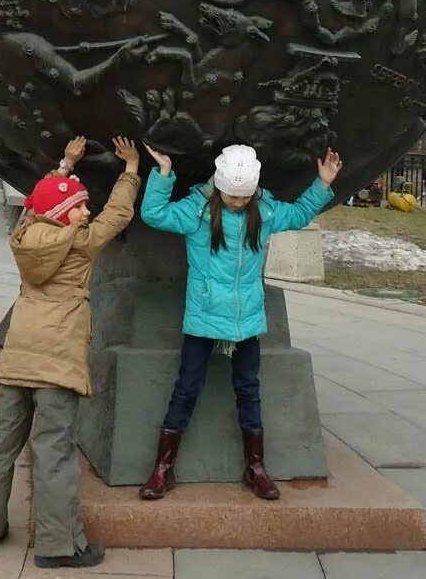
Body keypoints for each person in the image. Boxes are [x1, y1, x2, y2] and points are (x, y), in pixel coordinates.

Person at [0, 135, 141, 570]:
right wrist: (132, 170)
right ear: (65, 217)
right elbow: (117, 215)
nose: (86, 210)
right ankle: (58, 547)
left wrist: (65, 164)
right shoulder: (80, 242)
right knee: (54, 453)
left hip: (18, 358)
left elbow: (36, 202)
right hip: (56, 363)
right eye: (80, 206)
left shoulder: (25, 233)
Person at [138, 142, 342, 501]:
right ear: (218, 186)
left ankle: (256, 466)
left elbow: (296, 215)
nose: (237, 202)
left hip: (246, 320)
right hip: (203, 317)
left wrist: (322, 184)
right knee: (185, 389)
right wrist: (164, 175)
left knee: (249, 391)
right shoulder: (198, 211)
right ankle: (162, 468)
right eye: (232, 196)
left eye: (243, 196)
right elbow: (154, 214)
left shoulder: (262, 210)